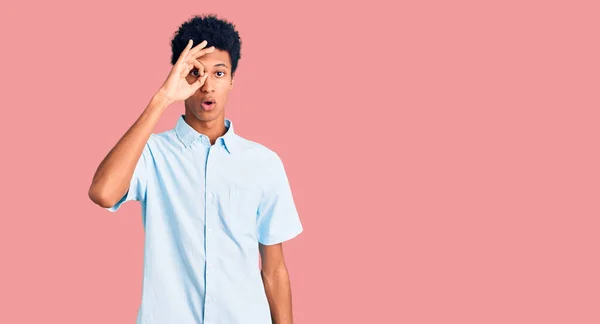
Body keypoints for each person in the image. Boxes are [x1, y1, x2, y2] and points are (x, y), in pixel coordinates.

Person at [88, 14, 303, 324]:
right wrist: (162, 98)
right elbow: (104, 193)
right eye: (195, 73)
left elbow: (274, 270)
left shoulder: (264, 163)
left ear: (232, 80)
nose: (207, 86)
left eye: (219, 73)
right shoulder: (151, 154)